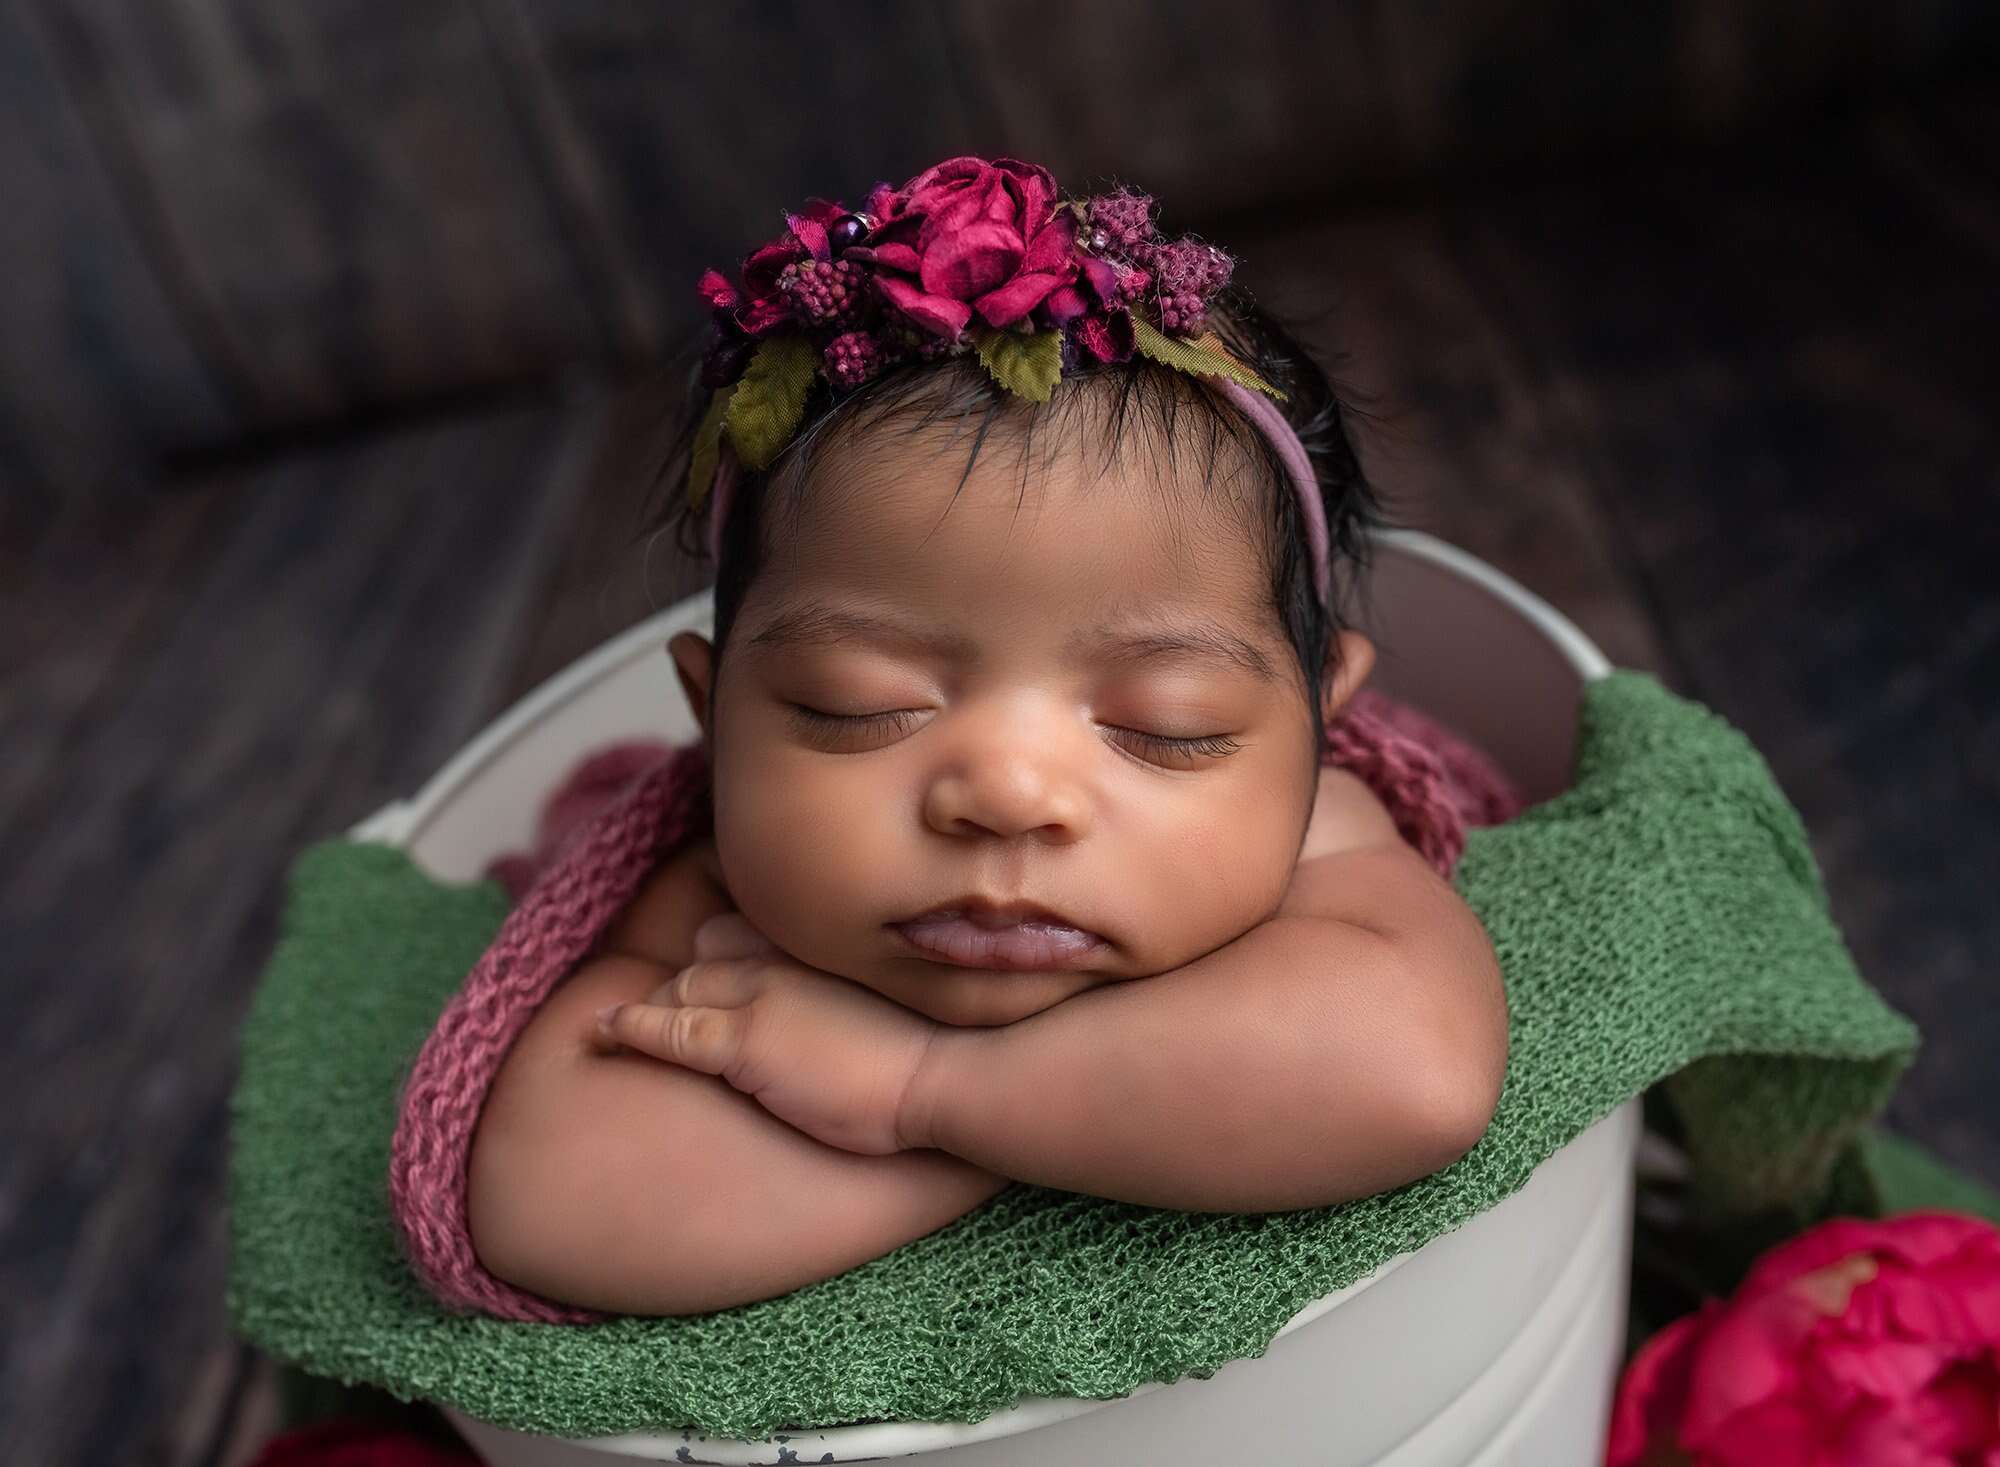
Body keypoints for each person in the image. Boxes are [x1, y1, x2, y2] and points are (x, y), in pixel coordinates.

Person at [425, 156, 1512, 1319]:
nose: (1006, 792)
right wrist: (1169, 1103)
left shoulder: (1320, 835)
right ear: (714, 714)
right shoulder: (715, 911)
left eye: (1166, 728)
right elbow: (554, 1203)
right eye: (855, 706)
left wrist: (926, 1090)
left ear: (1317, 724)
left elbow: (1413, 1074)